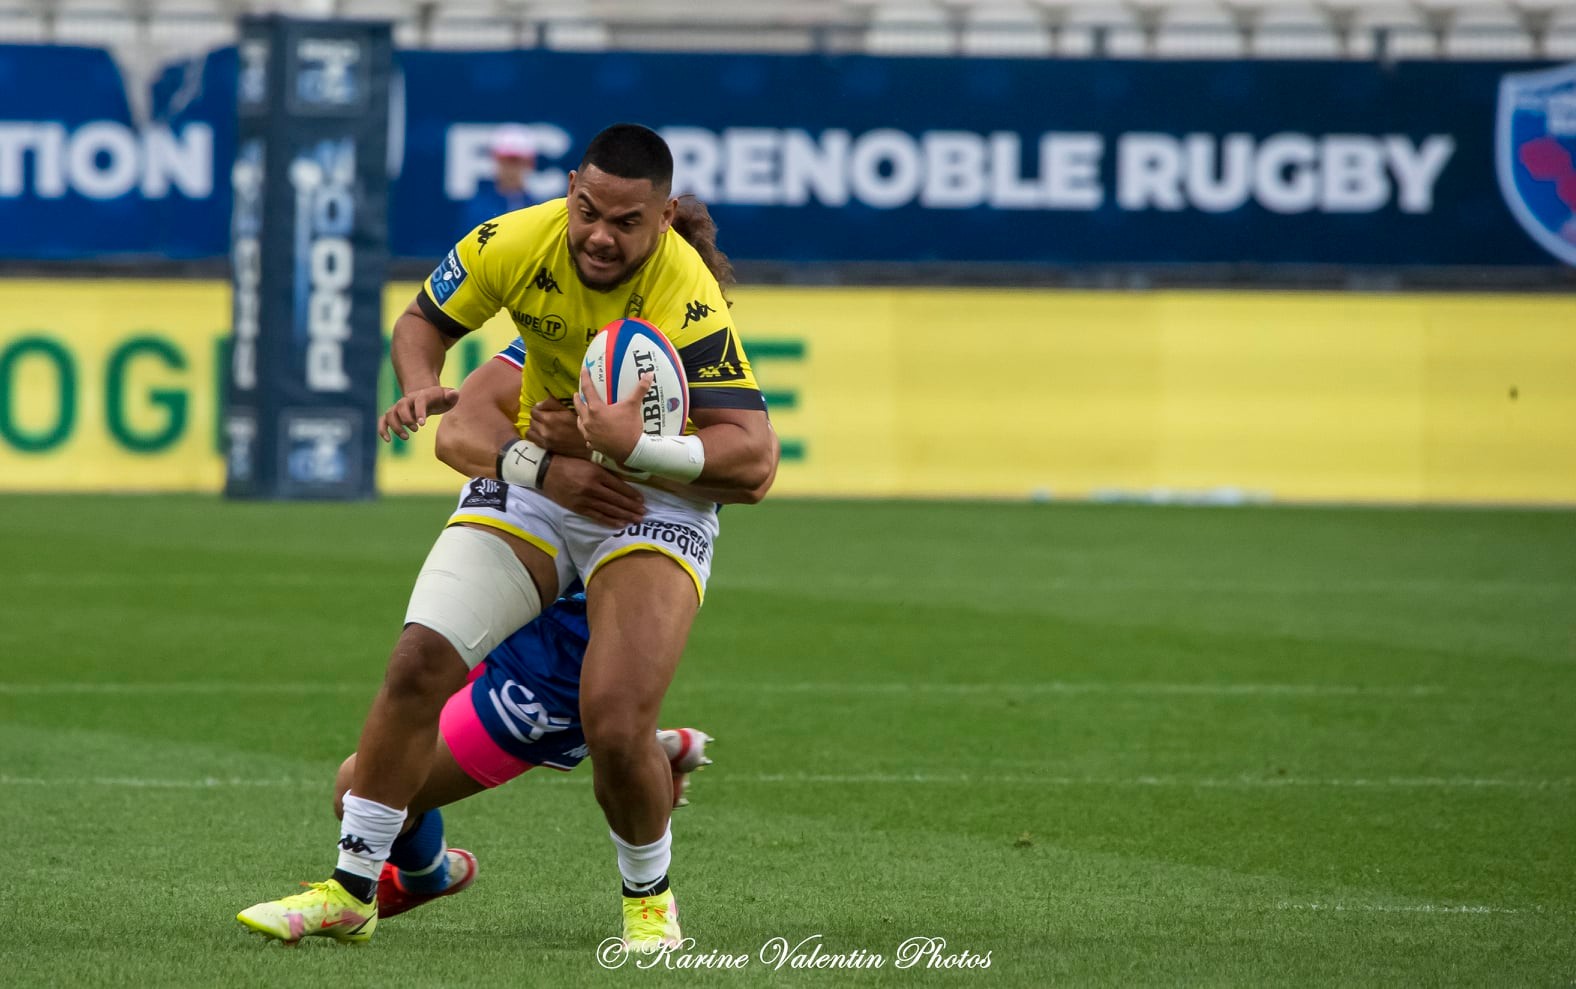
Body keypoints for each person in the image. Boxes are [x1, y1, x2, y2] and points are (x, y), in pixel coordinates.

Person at [239, 126, 775, 952]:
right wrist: (442, 400)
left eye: (624, 223)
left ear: (663, 221)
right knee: (418, 659)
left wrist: (632, 449)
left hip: (649, 505)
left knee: (615, 718)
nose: (598, 234)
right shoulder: (514, 243)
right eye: (586, 210)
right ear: (568, 188)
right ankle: (352, 890)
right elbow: (423, 325)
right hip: (542, 491)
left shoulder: (685, 300)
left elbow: (755, 463)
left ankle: (649, 908)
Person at [460, 125, 545, 234]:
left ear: (530, 163)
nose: (510, 168)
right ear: (495, 160)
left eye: (516, 161)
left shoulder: (539, 207)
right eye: (505, 161)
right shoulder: (477, 209)